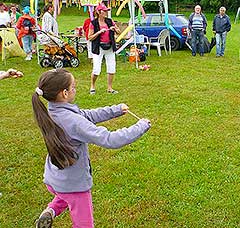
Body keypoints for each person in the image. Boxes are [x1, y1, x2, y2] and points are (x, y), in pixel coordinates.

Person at [32, 69, 151, 228]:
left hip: (55, 177)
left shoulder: (52, 111)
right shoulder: (72, 121)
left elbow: (87, 115)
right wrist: (140, 126)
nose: (76, 89)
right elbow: (110, 139)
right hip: (74, 184)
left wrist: (115, 110)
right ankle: (54, 209)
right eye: (73, 87)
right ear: (64, 93)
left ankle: (51, 210)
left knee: (64, 194)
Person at [88, 3, 120, 94]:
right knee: (96, 69)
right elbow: (90, 37)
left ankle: (110, 88)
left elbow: (118, 32)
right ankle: (92, 86)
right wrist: (99, 32)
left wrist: (114, 29)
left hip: (109, 47)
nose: (106, 12)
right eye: (104, 11)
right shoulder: (93, 23)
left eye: (106, 11)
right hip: (98, 48)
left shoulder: (110, 21)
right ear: (98, 12)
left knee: (111, 68)